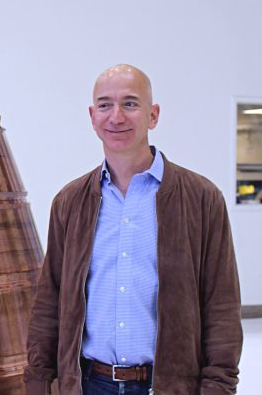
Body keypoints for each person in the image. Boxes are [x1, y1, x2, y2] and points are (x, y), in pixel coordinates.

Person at [24, 64, 242, 394]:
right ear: (92, 116)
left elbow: (221, 307)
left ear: (153, 116)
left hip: (168, 385)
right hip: (90, 384)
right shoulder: (70, 202)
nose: (116, 117)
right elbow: (49, 302)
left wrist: (218, 388)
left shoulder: (201, 198)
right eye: (105, 105)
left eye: (130, 103)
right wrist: (39, 384)